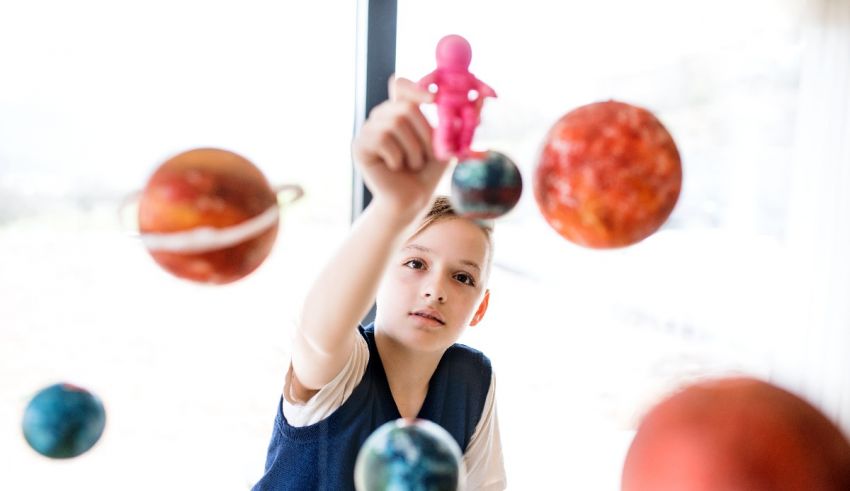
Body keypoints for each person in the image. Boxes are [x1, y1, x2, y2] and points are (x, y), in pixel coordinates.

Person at [252, 77, 506, 490]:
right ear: (378, 275)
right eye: (414, 263)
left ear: (480, 307)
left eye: (462, 277)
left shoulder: (471, 377)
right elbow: (316, 336)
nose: (435, 289)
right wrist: (394, 209)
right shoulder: (344, 368)